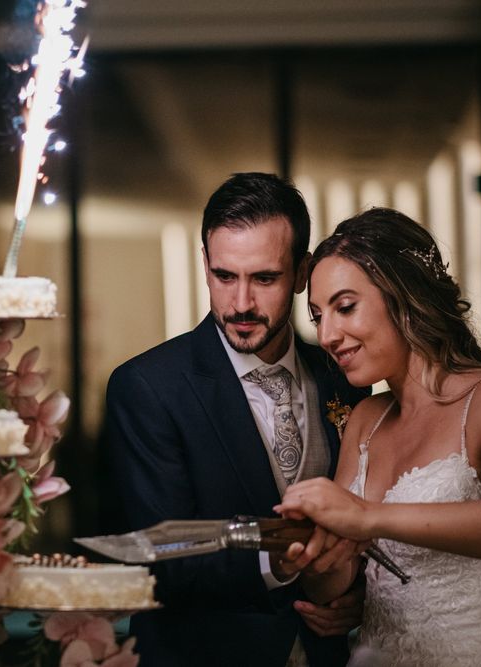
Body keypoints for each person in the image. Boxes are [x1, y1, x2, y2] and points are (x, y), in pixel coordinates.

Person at [275, 207, 481, 666]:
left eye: (345, 307)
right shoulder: (365, 420)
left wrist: (371, 518)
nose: (329, 335)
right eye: (318, 316)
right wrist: (318, 558)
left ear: (404, 295)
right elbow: (332, 583)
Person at [104, 172, 370, 667]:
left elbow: (364, 520)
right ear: (205, 264)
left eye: (264, 278)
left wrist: (355, 599)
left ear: (302, 272)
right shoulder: (146, 387)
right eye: (225, 276)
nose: (241, 303)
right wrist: (283, 560)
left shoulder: (344, 376)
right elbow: (165, 561)